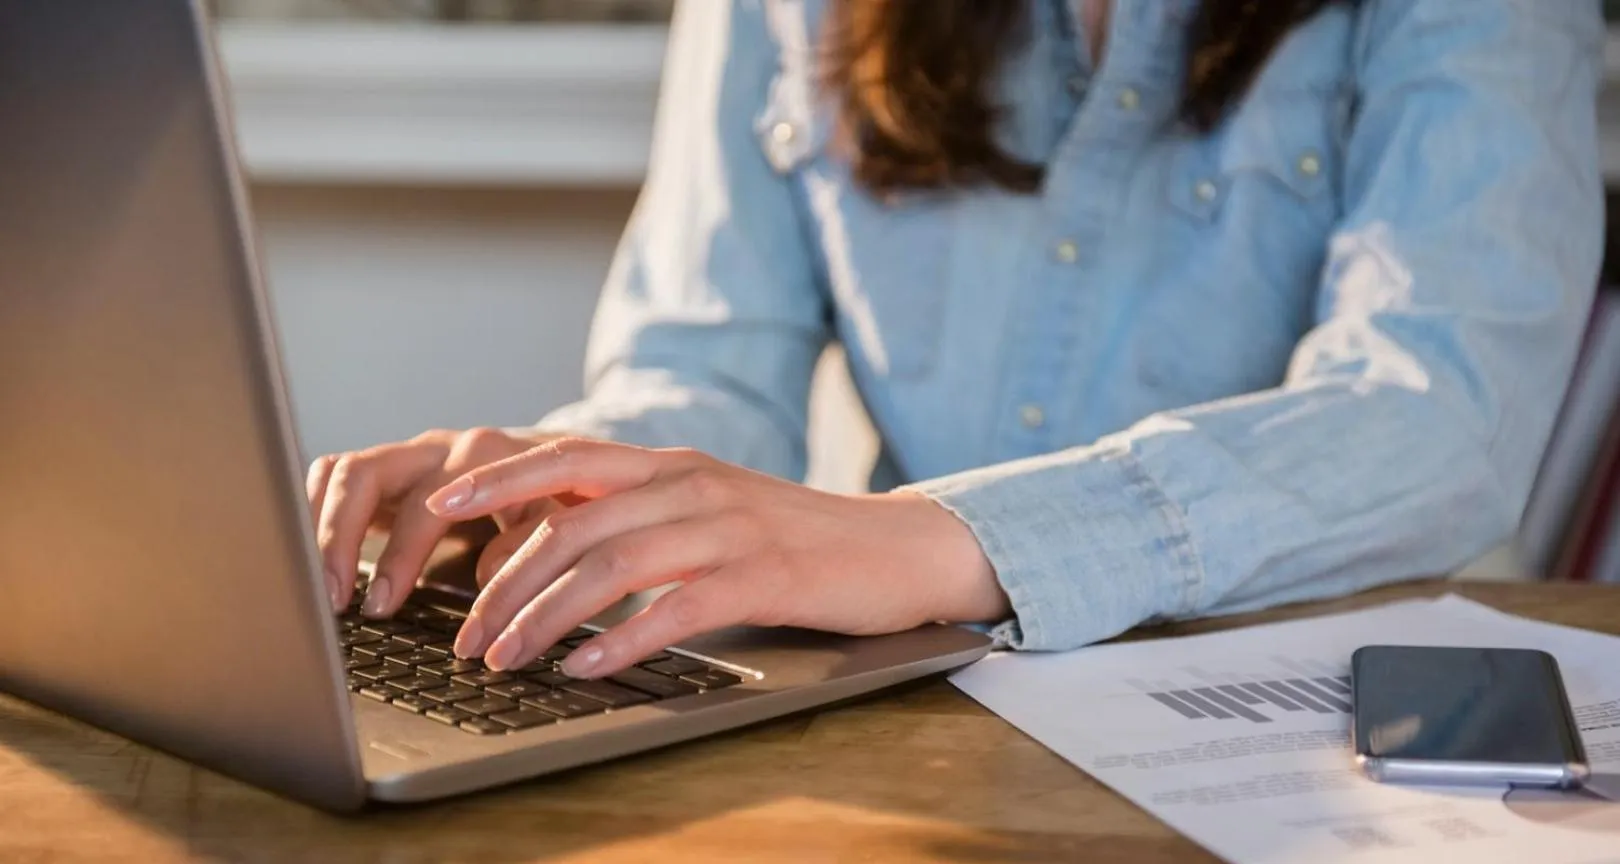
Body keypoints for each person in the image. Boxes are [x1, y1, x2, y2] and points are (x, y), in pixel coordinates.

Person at [307, 0, 1607, 681]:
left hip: (1295, 744)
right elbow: (706, 366)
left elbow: (1438, 415)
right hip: (911, 708)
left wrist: (946, 542)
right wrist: (579, 497)